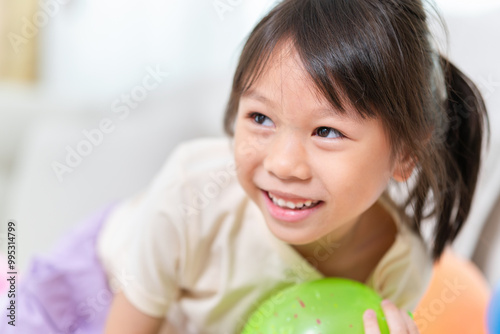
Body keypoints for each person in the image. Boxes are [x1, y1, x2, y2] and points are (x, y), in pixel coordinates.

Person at [1, 0, 488, 333]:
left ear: (405, 154)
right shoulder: (193, 191)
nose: (283, 164)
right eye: (260, 118)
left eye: (327, 132)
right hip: (103, 288)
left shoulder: (399, 269)